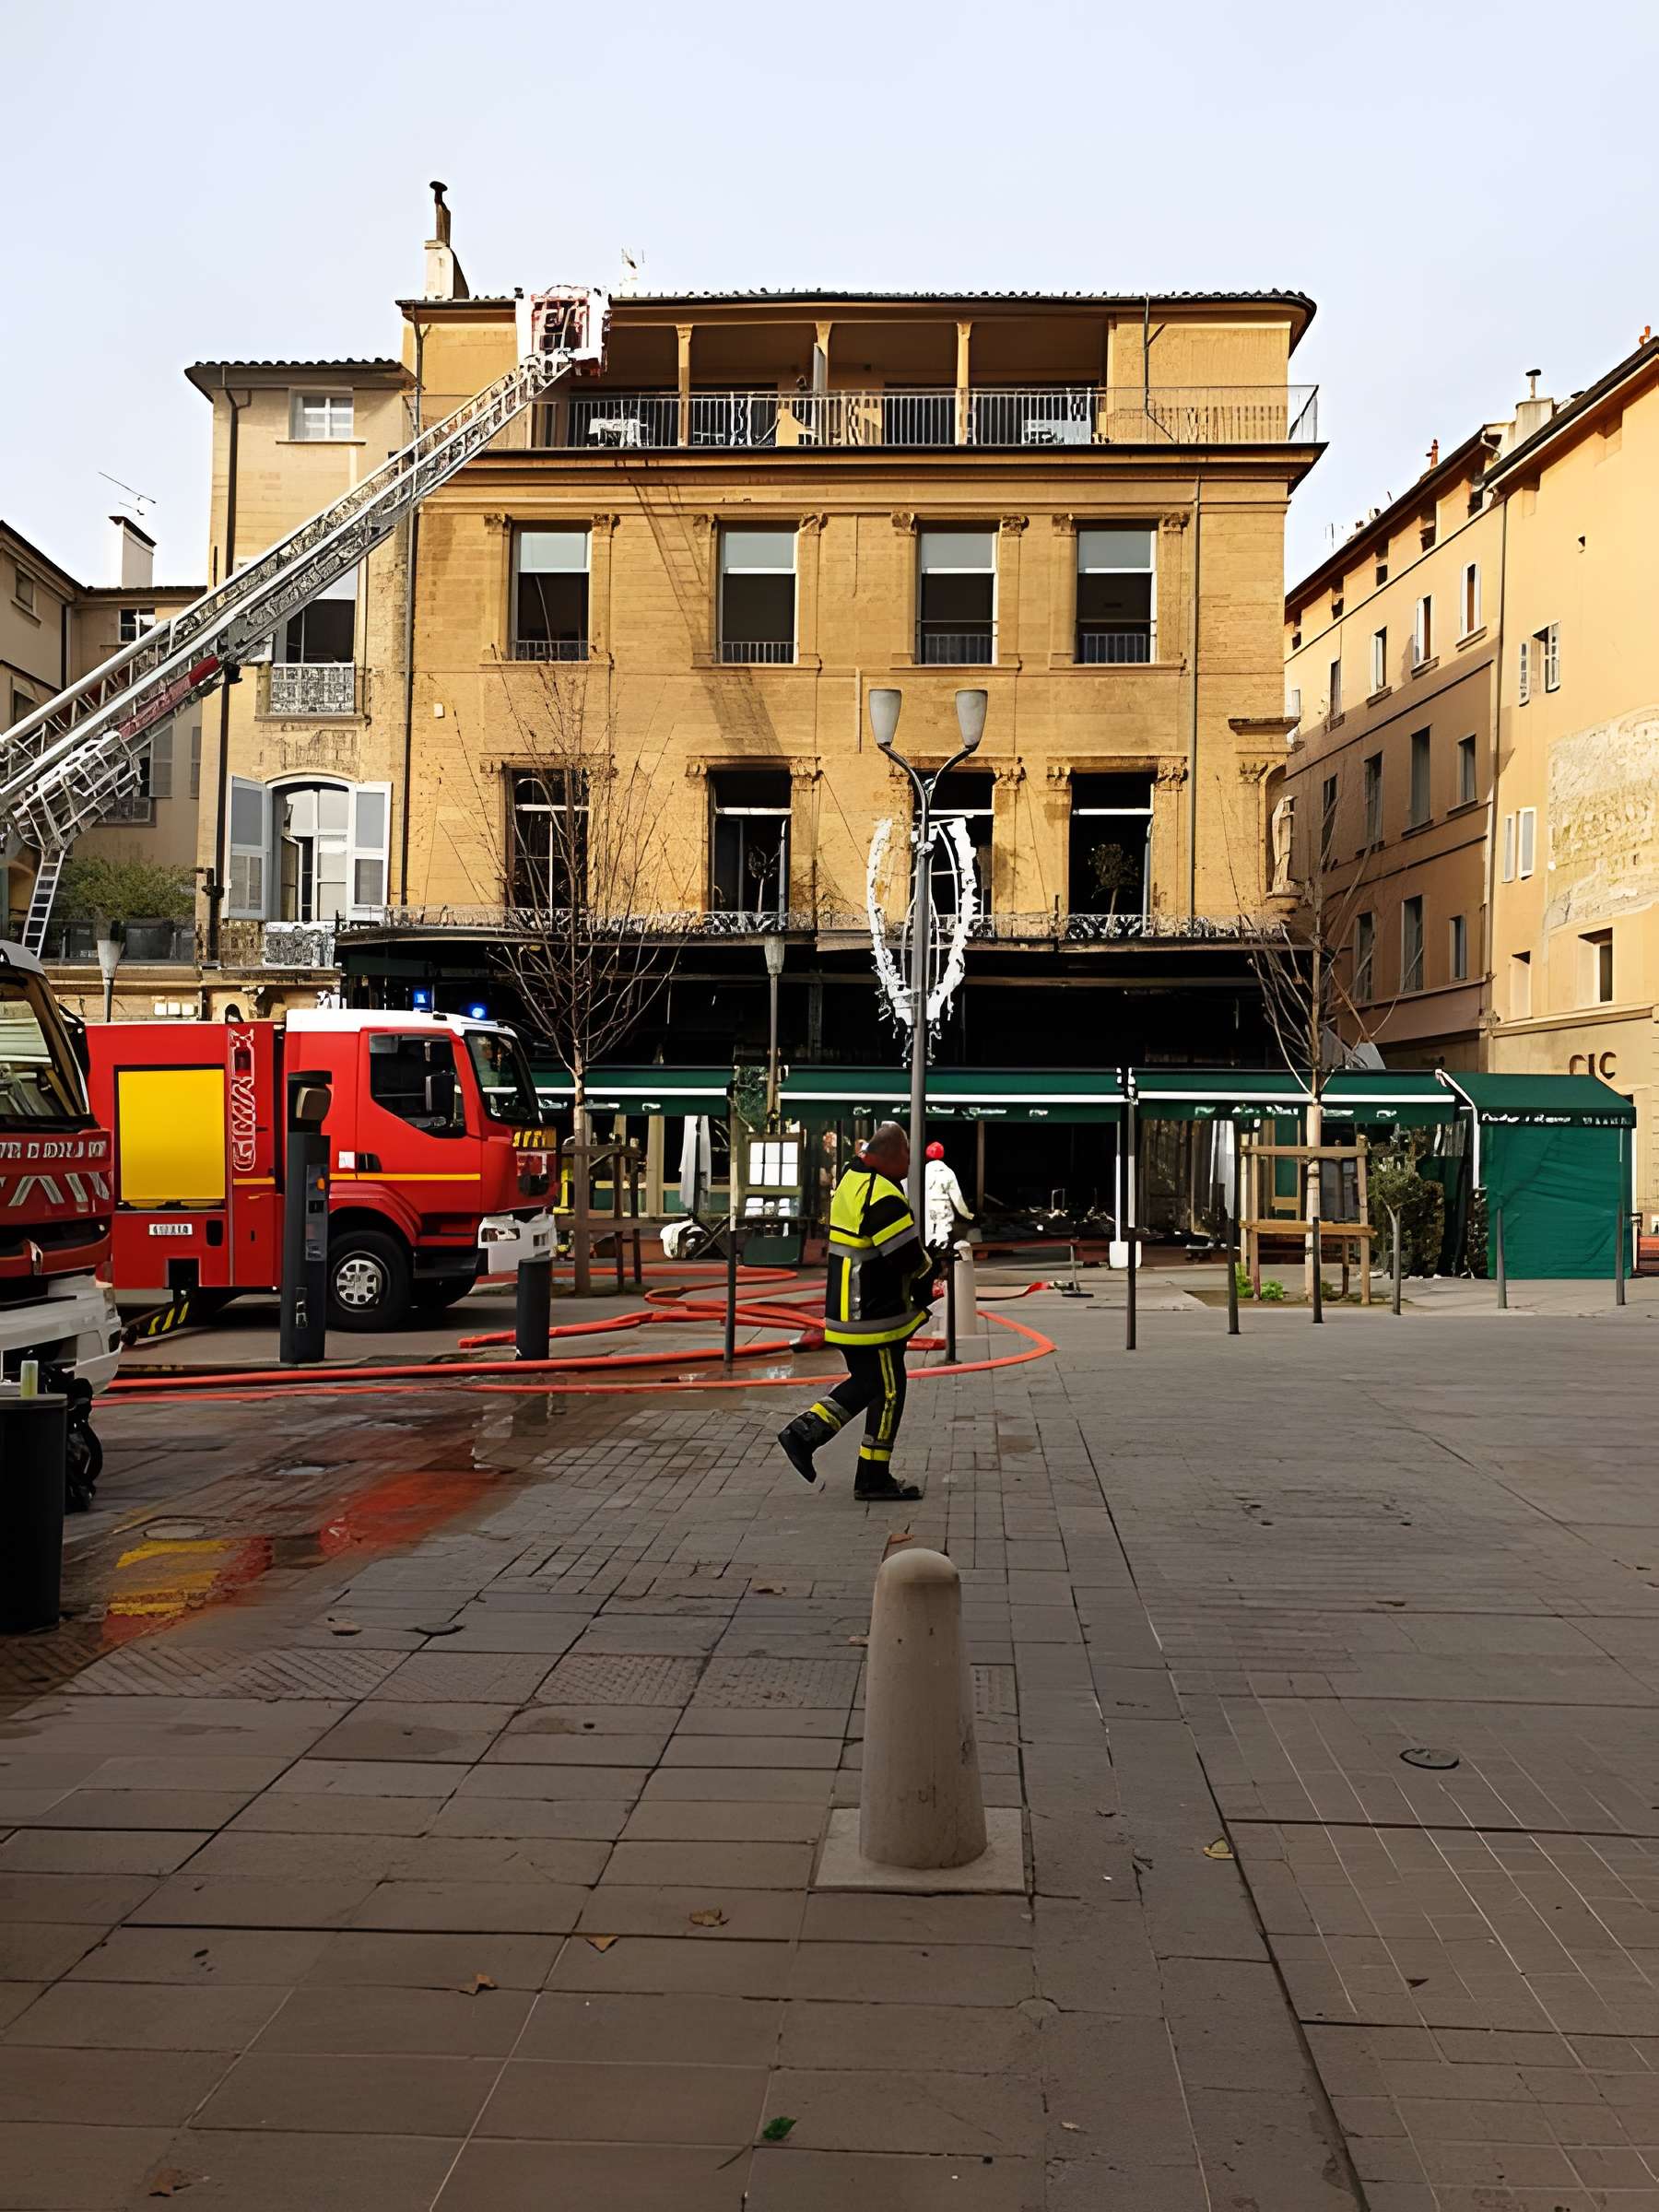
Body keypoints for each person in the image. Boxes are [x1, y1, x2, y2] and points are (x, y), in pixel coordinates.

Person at [777, 1120, 934, 1502]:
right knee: (886, 1389)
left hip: (848, 1308)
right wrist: (933, 1277)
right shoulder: (883, 1197)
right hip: (873, 1315)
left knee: (874, 1385)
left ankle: (867, 1472)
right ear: (891, 1156)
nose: (910, 1165)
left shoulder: (852, 1177)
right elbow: (908, 1259)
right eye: (907, 1156)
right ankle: (808, 1436)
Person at [924, 1140, 974, 1257]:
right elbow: (956, 1197)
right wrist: (966, 1214)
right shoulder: (947, 1172)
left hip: (926, 1208)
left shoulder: (922, 1171)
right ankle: (944, 1267)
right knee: (943, 1239)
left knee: (928, 1237)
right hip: (943, 1209)